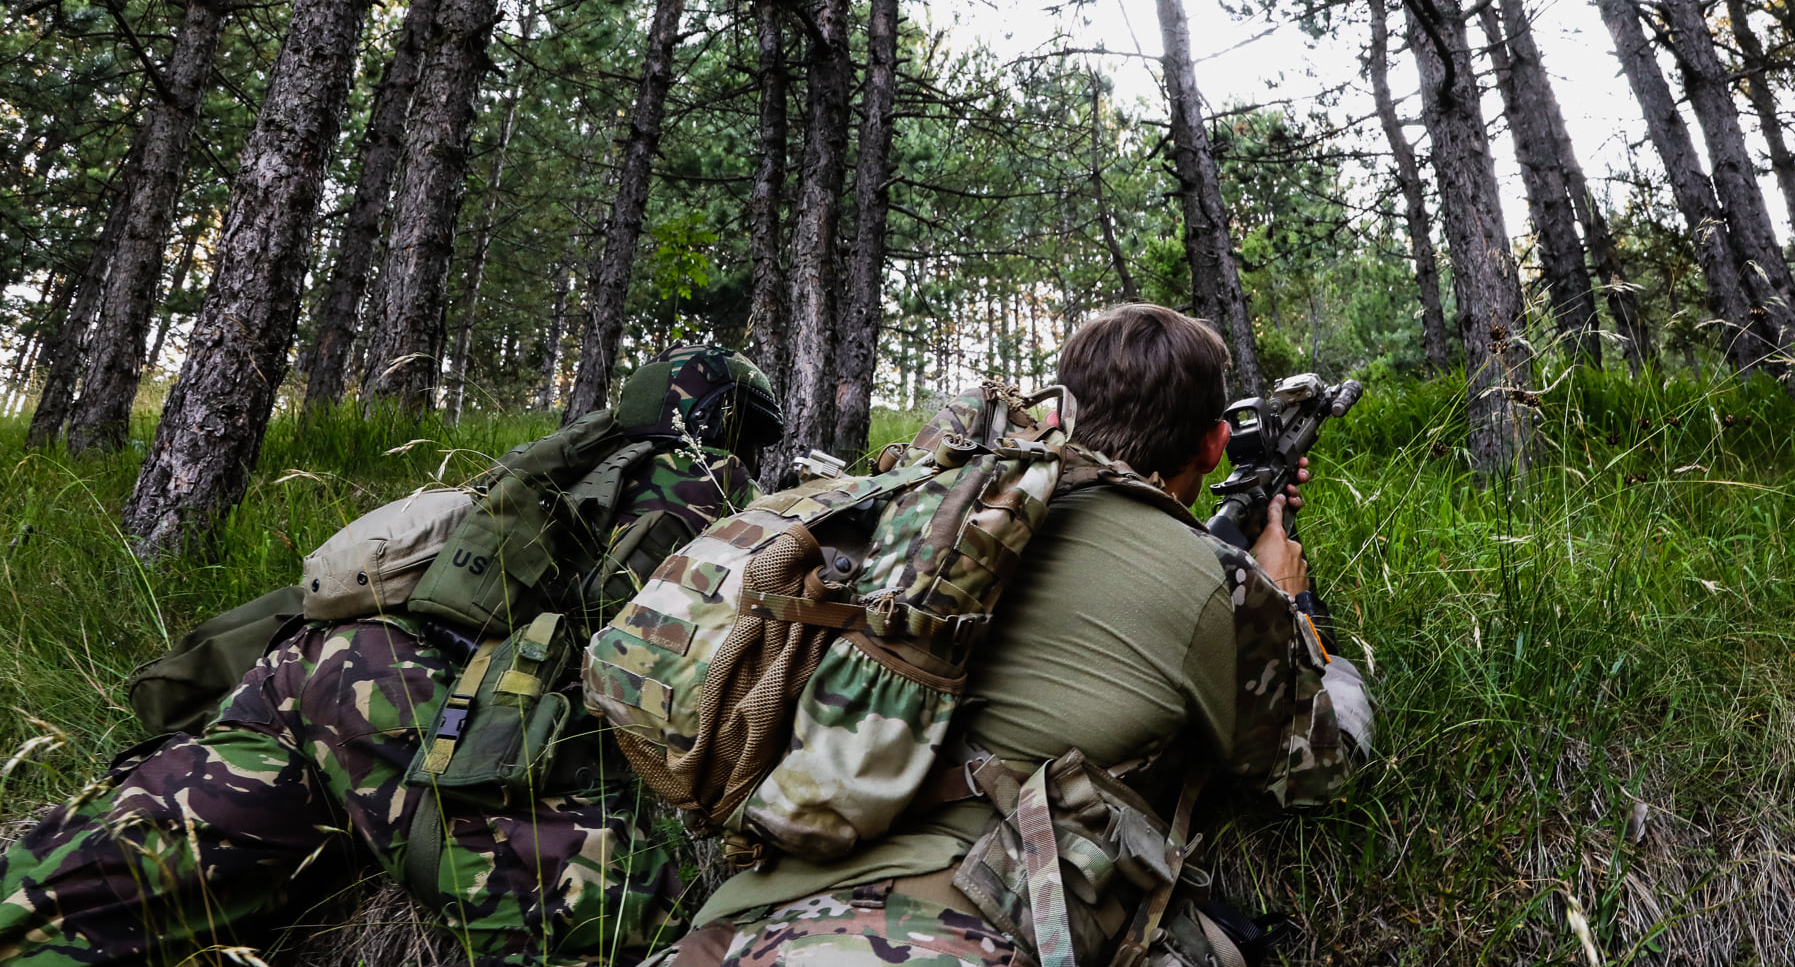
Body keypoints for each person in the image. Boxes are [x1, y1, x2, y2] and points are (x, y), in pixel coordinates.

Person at [0, 343, 786, 967]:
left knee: (87, 883)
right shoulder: (698, 478)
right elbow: (667, 652)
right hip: (428, 695)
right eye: (751, 434)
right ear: (724, 419)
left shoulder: (560, 463)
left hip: (320, 662)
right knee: (612, 933)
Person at [655, 303, 1372, 967]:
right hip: (943, 937)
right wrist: (1289, 601)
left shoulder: (933, 517)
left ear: (1063, 410)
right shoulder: (1216, 577)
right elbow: (1321, 767)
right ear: (1215, 444)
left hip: (728, 926)